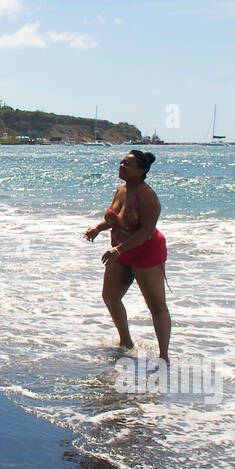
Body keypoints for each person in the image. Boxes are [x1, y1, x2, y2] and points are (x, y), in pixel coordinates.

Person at [83, 150, 171, 362]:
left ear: (141, 171)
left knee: (156, 305)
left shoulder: (147, 195)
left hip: (145, 252)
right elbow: (117, 220)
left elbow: (146, 230)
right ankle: (125, 343)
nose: (122, 166)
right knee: (110, 297)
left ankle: (164, 357)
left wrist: (118, 250)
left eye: (128, 164)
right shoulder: (121, 190)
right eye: (122, 162)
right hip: (120, 251)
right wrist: (98, 228)